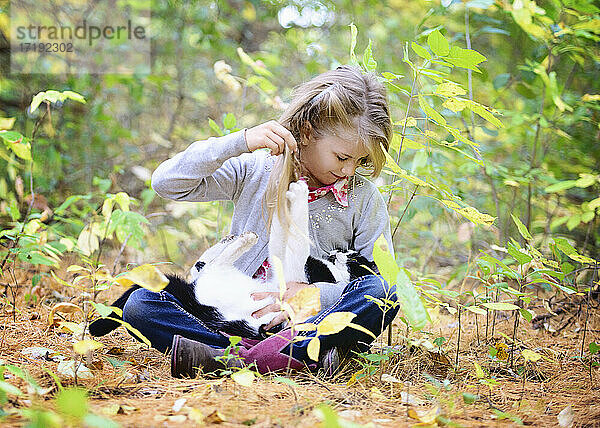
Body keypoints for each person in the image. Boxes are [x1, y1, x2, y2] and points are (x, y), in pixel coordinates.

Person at [122, 65, 399, 377]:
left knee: (380, 293)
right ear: (307, 132)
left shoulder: (363, 199)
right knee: (140, 304)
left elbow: (382, 280)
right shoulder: (256, 168)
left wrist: (316, 293)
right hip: (230, 318)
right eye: (342, 157)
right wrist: (239, 142)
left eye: (360, 162)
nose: (349, 170)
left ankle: (235, 359)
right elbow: (166, 183)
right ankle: (268, 359)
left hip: (307, 326)